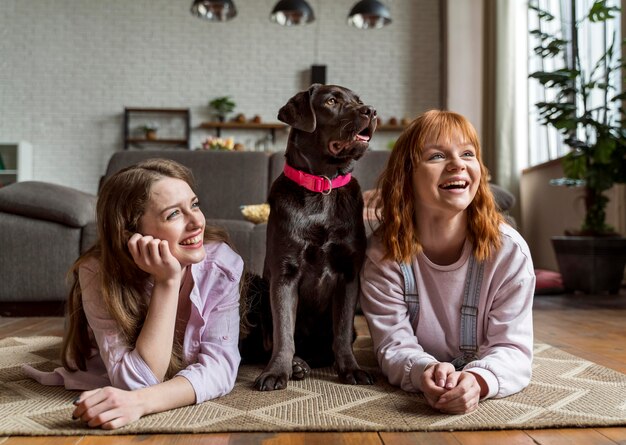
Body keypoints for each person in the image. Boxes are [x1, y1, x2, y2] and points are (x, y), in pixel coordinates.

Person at [23, 159, 244, 429]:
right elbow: (137, 381)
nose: (196, 221)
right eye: (173, 214)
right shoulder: (96, 272)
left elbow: (220, 369)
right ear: (132, 233)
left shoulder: (222, 265)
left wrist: (141, 403)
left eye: (194, 204)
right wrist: (168, 282)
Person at [359, 110, 535, 414]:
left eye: (468, 153)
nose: (458, 165)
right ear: (407, 175)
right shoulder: (382, 255)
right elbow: (393, 344)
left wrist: (479, 380)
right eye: (437, 156)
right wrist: (422, 372)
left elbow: (512, 348)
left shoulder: (509, 252)